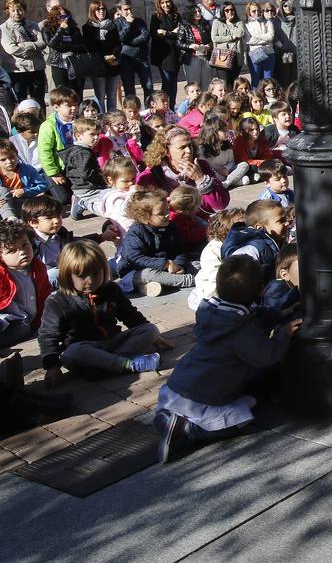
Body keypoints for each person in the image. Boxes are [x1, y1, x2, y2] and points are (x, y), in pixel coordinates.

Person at [155, 254, 300, 463]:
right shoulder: (241, 330)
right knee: (239, 421)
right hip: (204, 396)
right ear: (260, 290)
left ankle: (167, 421)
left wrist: (284, 309)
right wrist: (283, 334)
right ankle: (188, 430)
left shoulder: (216, 311)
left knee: (245, 400)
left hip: (178, 387)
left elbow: (259, 315)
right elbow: (266, 356)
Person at [39, 240, 169, 381]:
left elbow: (130, 315)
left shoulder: (111, 289)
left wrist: (154, 338)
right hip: (85, 349)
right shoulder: (57, 301)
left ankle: (104, 367)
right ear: (67, 275)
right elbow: (48, 336)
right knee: (69, 354)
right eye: (82, 276)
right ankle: (128, 364)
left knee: (150, 330)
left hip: (113, 342)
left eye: (95, 274)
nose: (90, 281)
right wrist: (52, 366)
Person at [115, 187, 197, 297]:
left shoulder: (171, 226)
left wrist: (179, 264)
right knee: (148, 274)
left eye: (167, 209)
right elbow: (135, 258)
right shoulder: (136, 231)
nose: (167, 214)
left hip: (168, 267)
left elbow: (179, 249)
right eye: (161, 213)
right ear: (145, 217)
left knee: (195, 264)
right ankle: (190, 280)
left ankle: (153, 285)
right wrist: (165, 264)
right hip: (136, 270)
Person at [136, 126, 231, 213]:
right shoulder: (151, 175)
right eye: (182, 147)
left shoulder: (201, 166)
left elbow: (221, 204)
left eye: (190, 146)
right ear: (166, 151)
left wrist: (200, 179)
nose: (189, 151)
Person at [0, 219, 52, 348]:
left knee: (22, 329)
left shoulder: (38, 267)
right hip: (4, 317)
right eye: (12, 251)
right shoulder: (2, 274)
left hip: (21, 320)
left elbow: (46, 293)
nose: (22, 252)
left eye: (25, 245)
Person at [1, 0, 47, 110]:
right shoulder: (4, 28)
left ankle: (40, 124)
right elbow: (11, 49)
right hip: (17, 69)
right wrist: (33, 47)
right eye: (13, 10)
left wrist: (24, 45)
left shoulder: (33, 25)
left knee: (38, 100)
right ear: (9, 11)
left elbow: (42, 43)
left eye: (20, 9)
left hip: (36, 67)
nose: (17, 13)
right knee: (21, 101)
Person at [83, 0, 122, 113]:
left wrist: (113, 55)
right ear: (93, 11)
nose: (101, 11)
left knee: (112, 94)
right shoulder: (88, 27)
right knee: (100, 95)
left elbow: (117, 43)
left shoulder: (112, 25)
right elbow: (90, 46)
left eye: (103, 9)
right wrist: (104, 57)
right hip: (98, 65)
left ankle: (112, 119)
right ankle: (100, 119)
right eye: (98, 9)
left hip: (112, 63)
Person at [40, 3, 85, 100]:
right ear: (55, 17)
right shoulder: (47, 29)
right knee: (62, 94)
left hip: (74, 63)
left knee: (76, 93)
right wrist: (61, 29)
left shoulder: (74, 29)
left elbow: (82, 46)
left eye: (67, 16)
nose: (65, 19)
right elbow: (52, 44)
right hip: (58, 64)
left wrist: (65, 47)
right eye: (62, 16)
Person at [113, 0, 153, 104]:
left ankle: (149, 113)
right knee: (129, 89)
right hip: (126, 58)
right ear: (119, 10)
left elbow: (145, 37)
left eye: (130, 9)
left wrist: (129, 41)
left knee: (148, 87)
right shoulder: (116, 23)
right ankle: (132, 113)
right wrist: (128, 24)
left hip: (141, 58)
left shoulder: (139, 21)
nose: (129, 12)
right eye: (126, 9)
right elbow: (120, 38)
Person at [149, 0, 183, 108]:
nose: (165, 5)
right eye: (162, 3)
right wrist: (172, 32)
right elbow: (154, 34)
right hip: (163, 54)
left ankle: (171, 106)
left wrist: (165, 32)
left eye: (167, 2)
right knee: (167, 81)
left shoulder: (176, 16)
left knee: (173, 83)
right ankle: (163, 106)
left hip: (175, 54)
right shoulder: (156, 16)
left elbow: (180, 33)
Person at [209, 2, 244, 87]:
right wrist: (231, 38)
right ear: (222, 11)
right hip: (221, 56)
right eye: (227, 10)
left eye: (232, 10)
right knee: (223, 83)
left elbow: (239, 34)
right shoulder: (216, 22)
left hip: (235, 55)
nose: (229, 12)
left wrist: (230, 23)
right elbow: (214, 38)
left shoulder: (239, 23)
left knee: (233, 83)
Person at [242, 2, 276, 85]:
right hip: (254, 53)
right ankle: (256, 97)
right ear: (249, 12)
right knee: (255, 79)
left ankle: (268, 97)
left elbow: (270, 37)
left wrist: (256, 36)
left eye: (258, 10)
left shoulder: (267, 22)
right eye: (254, 11)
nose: (257, 13)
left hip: (269, 52)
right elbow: (248, 40)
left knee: (268, 80)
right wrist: (265, 39)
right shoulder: (246, 25)